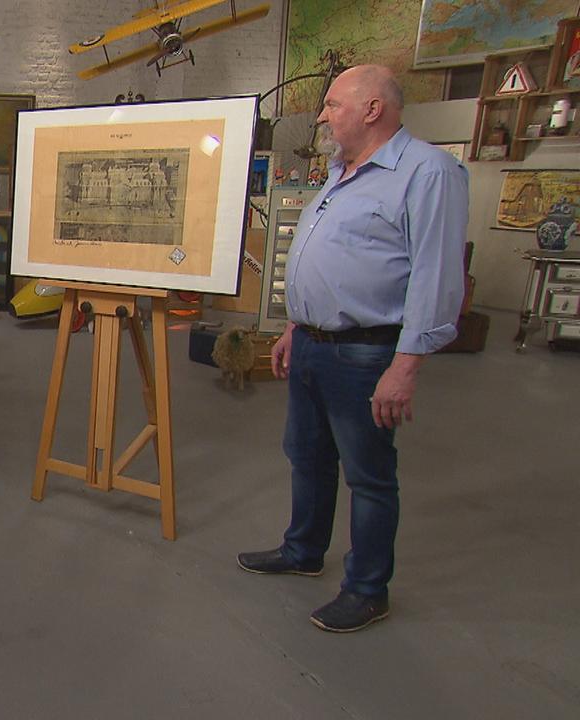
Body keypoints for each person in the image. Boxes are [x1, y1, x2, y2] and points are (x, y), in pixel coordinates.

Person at [237, 65, 469, 632]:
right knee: (307, 455)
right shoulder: (341, 172)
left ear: (372, 109)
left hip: (366, 352)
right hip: (312, 344)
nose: (322, 116)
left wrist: (405, 366)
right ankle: (303, 550)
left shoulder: (428, 172)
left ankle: (367, 590)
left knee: (368, 475)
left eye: (333, 104)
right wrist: (295, 326)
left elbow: (436, 276)